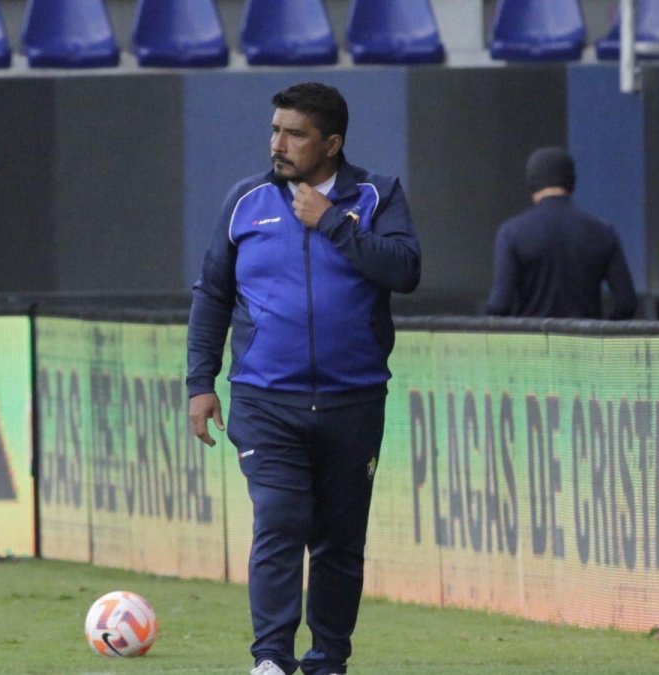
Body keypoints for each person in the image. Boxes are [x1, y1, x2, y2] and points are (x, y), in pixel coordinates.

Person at [187, 83, 421, 675]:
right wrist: (200, 381)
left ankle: (328, 661)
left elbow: (405, 270)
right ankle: (270, 660)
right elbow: (213, 293)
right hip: (267, 400)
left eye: (294, 134)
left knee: (340, 542)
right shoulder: (246, 201)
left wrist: (335, 224)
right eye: (275, 130)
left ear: (332, 143)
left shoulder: (376, 196)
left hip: (354, 399)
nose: (278, 144)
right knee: (282, 520)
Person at [485, 147, 637, 319]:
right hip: (585, 343)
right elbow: (626, 302)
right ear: (571, 182)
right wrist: (601, 332)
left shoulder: (511, 233)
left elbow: (499, 304)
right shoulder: (603, 232)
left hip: (532, 342)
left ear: (532, 183)